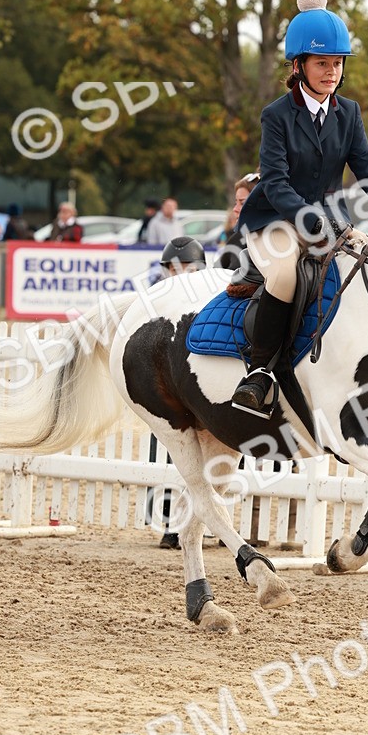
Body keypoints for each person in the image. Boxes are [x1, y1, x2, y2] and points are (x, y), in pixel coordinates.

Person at [230, 0, 368, 413]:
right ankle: (261, 372)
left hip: (325, 218)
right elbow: (274, 180)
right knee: (287, 276)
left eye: (338, 63)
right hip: (273, 218)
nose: (332, 72)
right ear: (300, 65)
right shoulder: (276, 115)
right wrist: (307, 217)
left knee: (363, 266)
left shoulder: (350, 113)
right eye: (322, 63)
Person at [147, 236, 207, 547]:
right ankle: (170, 523)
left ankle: (199, 525)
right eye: (173, 269)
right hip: (172, 396)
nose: (179, 274)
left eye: (186, 268)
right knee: (173, 460)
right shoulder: (156, 307)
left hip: (202, 391)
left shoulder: (210, 303)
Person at [218, 172, 259, 270]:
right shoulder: (238, 238)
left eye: (242, 203)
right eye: (236, 202)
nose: (235, 209)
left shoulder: (274, 235)